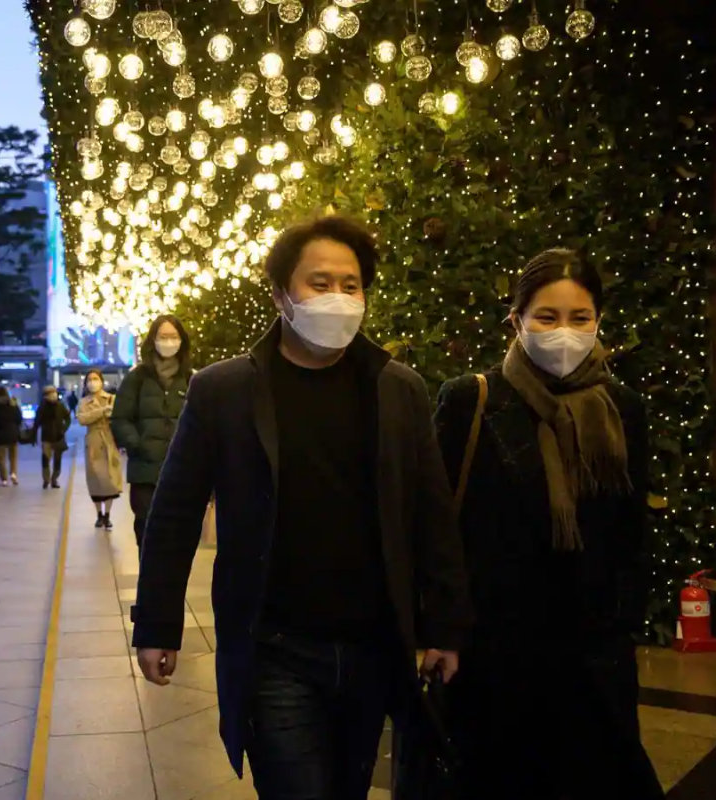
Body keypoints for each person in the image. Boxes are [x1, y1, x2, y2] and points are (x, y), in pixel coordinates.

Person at [130, 215, 472, 797]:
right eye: (319, 283)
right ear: (281, 295)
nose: (337, 297)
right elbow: (175, 512)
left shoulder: (398, 389)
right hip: (275, 649)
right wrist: (157, 623)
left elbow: (431, 513)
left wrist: (444, 624)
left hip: (371, 645)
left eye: (351, 284)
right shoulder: (226, 390)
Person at [435, 249, 663, 798]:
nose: (564, 332)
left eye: (579, 318)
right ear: (516, 320)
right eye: (546, 317)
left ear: (598, 321)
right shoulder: (472, 400)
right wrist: (444, 631)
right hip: (497, 657)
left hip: (592, 654)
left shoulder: (621, 407)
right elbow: (439, 527)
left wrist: (622, 626)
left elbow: (630, 529)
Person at [111, 314, 193, 548]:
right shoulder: (137, 378)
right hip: (145, 472)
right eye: (163, 336)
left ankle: (172, 583)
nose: (168, 342)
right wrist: (138, 444)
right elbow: (120, 418)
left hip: (181, 471)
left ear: (182, 341)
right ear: (153, 340)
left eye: (173, 336)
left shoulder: (190, 379)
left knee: (177, 535)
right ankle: (149, 582)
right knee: (147, 531)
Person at [77, 368, 122, 530]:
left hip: (109, 441)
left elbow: (119, 417)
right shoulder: (83, 402)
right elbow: (82, 419)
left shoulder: (112, 399)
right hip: (93, 442)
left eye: (96, 379)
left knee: (110, 479)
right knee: (95, 479)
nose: (92, 382)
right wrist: (102, 411)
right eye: (89, 379)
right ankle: (98, 515)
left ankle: (108, 515)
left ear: (102, 381)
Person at [36, 386, 71, 489]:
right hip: (46, 437)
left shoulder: (60, 406)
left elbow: (67, 418)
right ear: (45, 396)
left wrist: (64, 428)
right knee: (45, 458)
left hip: (58, 436)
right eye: (50, 393)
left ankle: (54, 479)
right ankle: (46, 479)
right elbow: (37, 421)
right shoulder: (42, 407)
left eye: (54, 392)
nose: (53, 395)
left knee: (57, 459)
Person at [0, 386, 24, 487]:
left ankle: (4, 479)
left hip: (0, 435)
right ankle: (13, 474)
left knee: (1, 458)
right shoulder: (13, 404)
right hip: (13, 434)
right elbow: (19, 418)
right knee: (13, 456)